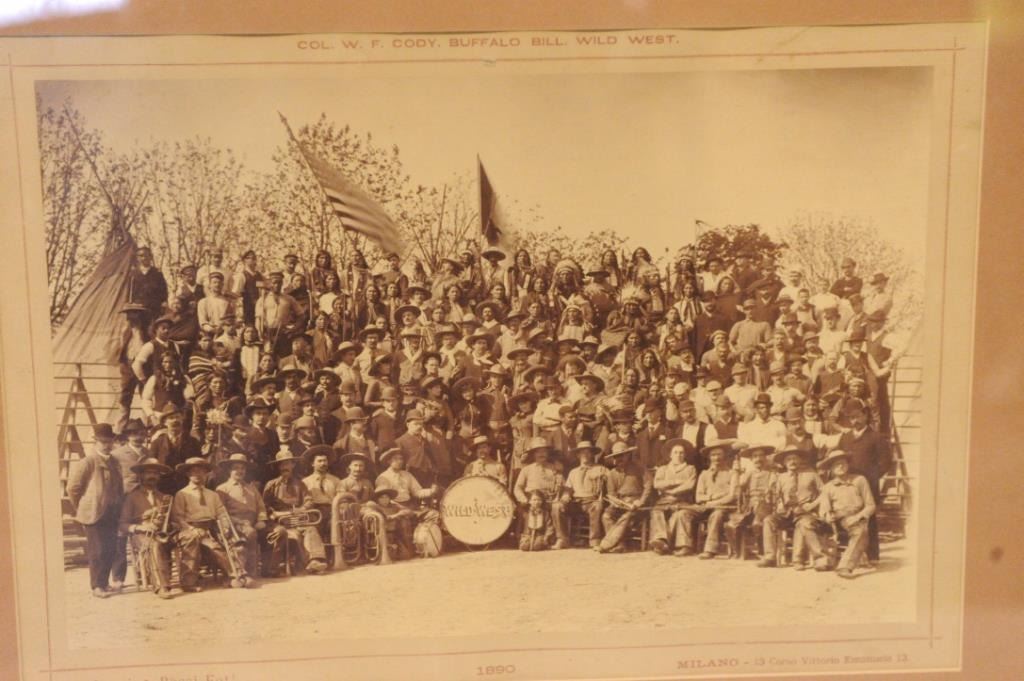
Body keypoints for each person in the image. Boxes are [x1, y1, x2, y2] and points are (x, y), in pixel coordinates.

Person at [169, 457, 246, 590]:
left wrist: (225, 526)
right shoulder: (182, 494)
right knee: (208, 545)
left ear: (206, 474)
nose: (198, 474)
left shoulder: (212, 495)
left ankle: (237, 574)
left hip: (211, 528)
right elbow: (178, 517)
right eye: (194, 471)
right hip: (189, 529)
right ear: (188, 474)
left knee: (231, 543)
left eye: (201, 471)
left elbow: (221, 512)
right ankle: (188, 582)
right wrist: (192, 529)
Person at [66, 423, 124, 599]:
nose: (107, 445)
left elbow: (119, 486)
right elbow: (73, 488)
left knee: (110, 549)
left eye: (109, 442)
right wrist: (83, 506)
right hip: (94, 513)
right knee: (97, 551)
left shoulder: (114, 462)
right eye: (103, 442)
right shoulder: (88, 462)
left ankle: (104, 583)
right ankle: (97, 586)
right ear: (95, 442)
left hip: (112, 512)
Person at [836, 399, 890, 562]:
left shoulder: (876, 437)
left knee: (868, 519)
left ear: (865, 415)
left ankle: (872, 555)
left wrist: (872, 477)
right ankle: (849, 555)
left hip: (868, 484)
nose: (855, 421)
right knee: (848, 515)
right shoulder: (845, 438)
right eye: (851, 418)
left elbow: (886, 462)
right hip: (848, 486)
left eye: (858, 416)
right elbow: (839, 459)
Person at [262, 448, 329, 576]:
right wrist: (275, 514)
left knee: (311, 529)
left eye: (288, 464)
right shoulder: (271, 485)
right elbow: (264, 506)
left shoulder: (300, 484)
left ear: (293, 465)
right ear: (278, 467)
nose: (285, 467)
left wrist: (301, 509)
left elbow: (309, 500)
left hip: (298, 519)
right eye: (282, 464)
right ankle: (298, 565)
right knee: (294, 535)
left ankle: (315, 560)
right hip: (279, 522)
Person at [758, 448, 828, 570]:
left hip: (805, 511)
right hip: (786, 513)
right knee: (768, 520)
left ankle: (812, 559)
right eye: (788, 459)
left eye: (795, 458)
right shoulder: (781, 477)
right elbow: (777, 496)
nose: (792, 461)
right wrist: (779, 504)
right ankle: (770, 557)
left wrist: (813, 505)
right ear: (784, 463)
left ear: (800, 460)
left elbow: (826, 492)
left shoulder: (811, 474)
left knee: (803, 524)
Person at [118, 457, 174, 599]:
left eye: (155, 473)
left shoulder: (163, 497)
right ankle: (161, 586)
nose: (152, 476)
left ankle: (188, 581)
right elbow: (122, 524)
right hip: (141, 535)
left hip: (161, 533)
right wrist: (141, 527)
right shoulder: (132, 497)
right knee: (153, 545)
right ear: (141, 476)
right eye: (148, 473)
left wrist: (164, 523)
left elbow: (171, 520)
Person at [817, 449, 877, 578]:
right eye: (836, 464)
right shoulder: (828, 487)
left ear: (848, 465)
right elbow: (824, 509)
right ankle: (825, 560)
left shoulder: (860, 480)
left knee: (861, 531)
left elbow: (871, 505)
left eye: (843, 463)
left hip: (854, 517)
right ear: (831, 468)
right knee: (813, 525)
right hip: (835, 518)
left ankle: (845, 567)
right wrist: (827, 516)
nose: (840, 466)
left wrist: (857, 517)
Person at [214, 453, 266, 584]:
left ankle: (263, 570)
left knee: (276, 532)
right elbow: (221, 512)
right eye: (236, 468)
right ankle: (246, 573)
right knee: (249, 533)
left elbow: (261, 507)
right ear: (229, 470)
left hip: (253, 522)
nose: (240, 471)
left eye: (242, 468)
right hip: (233, 524)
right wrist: (238, 523)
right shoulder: (222, 489)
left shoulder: (251, 488)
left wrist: (261, 520)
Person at [513, 437, 568, 549]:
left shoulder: (554, 468)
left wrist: (564, 496)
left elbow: (565, 486)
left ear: (548, 453)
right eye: (538, 452)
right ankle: (524, 538)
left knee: (557, 507)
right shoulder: (527, 470)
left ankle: (561, 539)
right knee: (522, 509)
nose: (541, 454)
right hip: (531, 501)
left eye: (544, 451)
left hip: (549, 501)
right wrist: (524, 499)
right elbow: (517, 488)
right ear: (533, 454)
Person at [598, 441, 653, 553]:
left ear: (628, 455)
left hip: (637, 504)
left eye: (621, 456)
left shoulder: (639, 468)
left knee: (626, 517)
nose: (619, 459)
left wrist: (641, 501)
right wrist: (615, 502)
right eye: (616, 456)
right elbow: (611, 493)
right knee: (606, 516)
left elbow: (648, 485)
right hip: (620, 504)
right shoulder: (612, 473)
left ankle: (606, 544)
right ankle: (620, 544)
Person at [649, 438, 698, 556]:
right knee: (656, 512)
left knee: (679, 515)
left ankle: (683, 545)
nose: (678, 455)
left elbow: (689, 485)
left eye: (681, 453)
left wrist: (672, 491)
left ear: (685, 455)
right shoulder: (663, 469)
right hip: (664, 501)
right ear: (670, 455)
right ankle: (661, 539)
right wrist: (676, 482)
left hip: (683, 501)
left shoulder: (690, 469)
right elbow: (657, 484)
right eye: (675, 452)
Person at [692, 443, 740, 559]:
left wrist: (713, 503)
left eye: (719, 454)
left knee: (716, 515)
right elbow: (698, 497)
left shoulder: (732, 473)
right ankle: (684, 546)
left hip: (725, 509)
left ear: (725, 456)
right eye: (713, 455)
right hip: (705, 507)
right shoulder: (704, 474)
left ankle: (710, 550)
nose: (716, 458)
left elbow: (732, 496)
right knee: (683, 514)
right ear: (709, 457)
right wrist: (713, 496)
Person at [560, 441, 607, 548]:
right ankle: (563, 539)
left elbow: (611, 483)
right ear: (578, 455)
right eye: (582, 452)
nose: (585, 455)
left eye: (588, 452)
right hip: (576, 503)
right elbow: (568, 489)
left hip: (591, 502)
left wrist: (604, 480)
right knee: (557, 506)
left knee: (597, 506)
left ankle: (594, 540)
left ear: (592, 454)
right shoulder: (573, 472)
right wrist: (565, 496)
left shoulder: (601, 469)